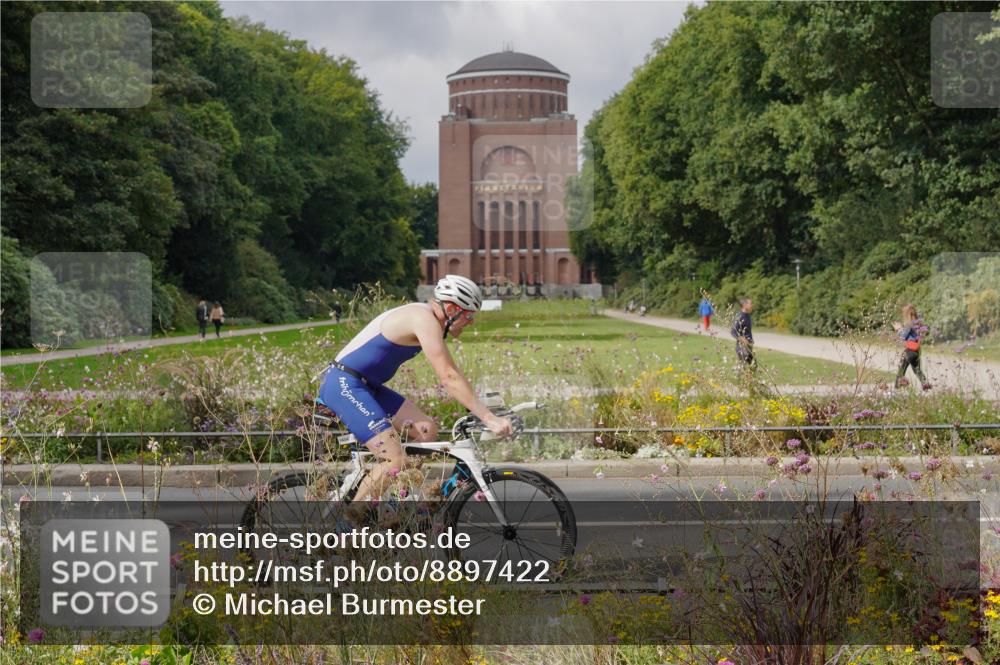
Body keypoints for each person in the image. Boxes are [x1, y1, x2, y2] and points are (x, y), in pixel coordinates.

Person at [317, 275, 514, 510]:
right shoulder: (423, 318)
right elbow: (448, 377)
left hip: (366, 386)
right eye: (468, 315)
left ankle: (395, 505)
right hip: (345, 384)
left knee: (425, 431)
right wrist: (488, 418)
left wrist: (482, 409)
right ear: (451, 309)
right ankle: (348, 528)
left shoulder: (429, 320)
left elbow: (454, 375)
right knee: (394, 459)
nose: (470, 322)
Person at [892, 304, 931, 390]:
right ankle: (926, 385)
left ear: (906, 314)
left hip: (909, 351)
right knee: (917, 370)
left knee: (901, 370)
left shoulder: (909, 324)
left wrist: (898, 329)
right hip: (917, 351)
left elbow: (903, 336)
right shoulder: (918, 324)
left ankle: (896, 390)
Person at [731, 297, 755, 367]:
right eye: (750, 304)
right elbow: (733, 331)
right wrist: (742, 339)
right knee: (745, 368)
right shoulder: (740, 316)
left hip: (749, 346)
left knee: (752, 367)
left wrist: (750, 341)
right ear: (744, 305)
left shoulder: (747, 315)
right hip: (742, 347)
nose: (752, 305)